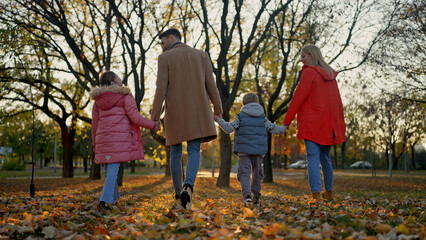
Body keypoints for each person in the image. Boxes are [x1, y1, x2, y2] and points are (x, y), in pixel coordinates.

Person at [151, 28, 223, 209]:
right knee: (194, 151)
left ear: (172, 37)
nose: (163, 47)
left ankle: (177, 194)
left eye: (163, 42)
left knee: (175, 152)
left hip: (175, 113)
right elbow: (211, 85)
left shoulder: (164, 59)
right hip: (198, 112)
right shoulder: (202, 55)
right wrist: (218, 108)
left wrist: (155, 117)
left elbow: (161, 89)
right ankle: (188, 186)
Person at [283, 44, 346, 203]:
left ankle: (316, 195)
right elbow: (337, 103)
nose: (301, 60)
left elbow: (298, 98)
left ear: (311, 55)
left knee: (312, 159)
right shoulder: (330, 75)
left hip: (312, 124)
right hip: (328, 125)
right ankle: (329, 193)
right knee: (325, 159)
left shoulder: (309, 73)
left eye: (303, 56)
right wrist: (337, 125)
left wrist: (286, 122)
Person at [91, 71, 160, 210]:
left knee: (109, 169)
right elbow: (136, 118)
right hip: (118, 140)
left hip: (103, 140)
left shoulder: (97, 101)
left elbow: (95, 125)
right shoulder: (124, 96)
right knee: (113, 168)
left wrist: (95, 144)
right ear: (115, 81)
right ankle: (104, 201)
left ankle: (114, 199)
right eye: (118, 77)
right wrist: (153, 125)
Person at [214, 93, 286, 207]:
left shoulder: (240, 116)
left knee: (244, 174)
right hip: (258, 150)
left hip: (243, 150)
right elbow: (273, 128)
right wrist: (284, 127)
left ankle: (247, 196)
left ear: (244, 103)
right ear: (256, 102)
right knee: (257, 173)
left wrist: (218, 120)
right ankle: (256, 195)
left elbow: (229, 129)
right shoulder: (262, 117)